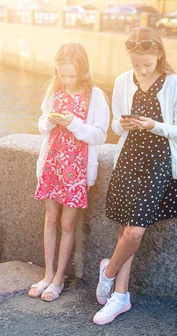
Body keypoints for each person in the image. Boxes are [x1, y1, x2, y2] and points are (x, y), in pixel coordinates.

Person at [93, 27, 177, 325]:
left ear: (159, 55)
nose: (141, 70)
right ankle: (121, 297)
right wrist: (127, 124)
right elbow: (115, 127)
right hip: (129, 158)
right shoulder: (123, 80)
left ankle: (108, 272)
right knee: (126, 231)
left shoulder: (176, 84)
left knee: (135, 232)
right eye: (136, 64)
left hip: (158, 162)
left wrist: (153, 125)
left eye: (147, 64)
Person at [29, 42, 110, 302]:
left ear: (82, 71)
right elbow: (42, 124)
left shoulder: (95, 95)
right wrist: (51, 120)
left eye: (70, 75)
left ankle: (60, 278)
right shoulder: (55, 89)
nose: (65, 79)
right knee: (51, 218)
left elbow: (99, 135)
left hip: (76, 167)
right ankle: (47, 273)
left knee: (67, 223)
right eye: (61, 74)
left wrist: (74, 123)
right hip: (54, 161)